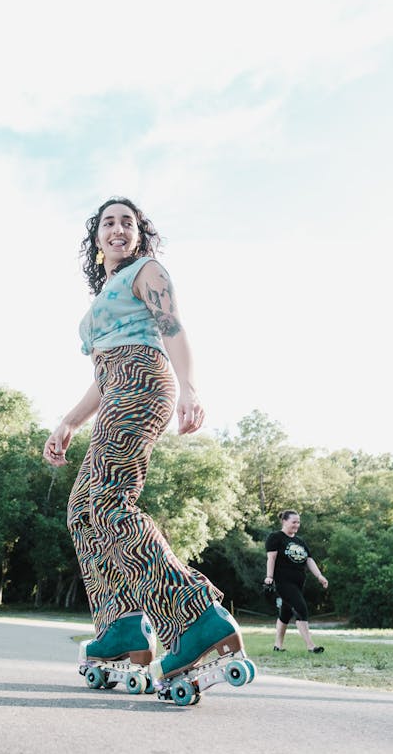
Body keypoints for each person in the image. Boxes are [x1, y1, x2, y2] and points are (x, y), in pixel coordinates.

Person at [43, 197, 245, 684]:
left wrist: (191, 388)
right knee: (83, 510)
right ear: (96, 239)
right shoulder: (106, 293)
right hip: (116, 383)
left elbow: (173, 329)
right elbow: (102, 374)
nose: (117, 229)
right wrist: (69, 421)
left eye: (127, 223)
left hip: (142, 380)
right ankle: (121, 627)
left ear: (139, 234)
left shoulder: (148, 271)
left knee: (109, 501)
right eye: (108, 223)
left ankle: (195, 617)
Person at [264, 509, 328, 653]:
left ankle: (277, 646)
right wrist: (269, 576)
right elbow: (271, 558)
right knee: (301, 609)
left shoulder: (299, 541)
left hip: (298, 583)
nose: (297, 525)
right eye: (294, 522)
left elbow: (309, 560)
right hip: (283, 582)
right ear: (284, 521)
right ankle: (311, 646)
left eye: (298, 522)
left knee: (285, 613)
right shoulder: (276, 537)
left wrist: (319, 576)